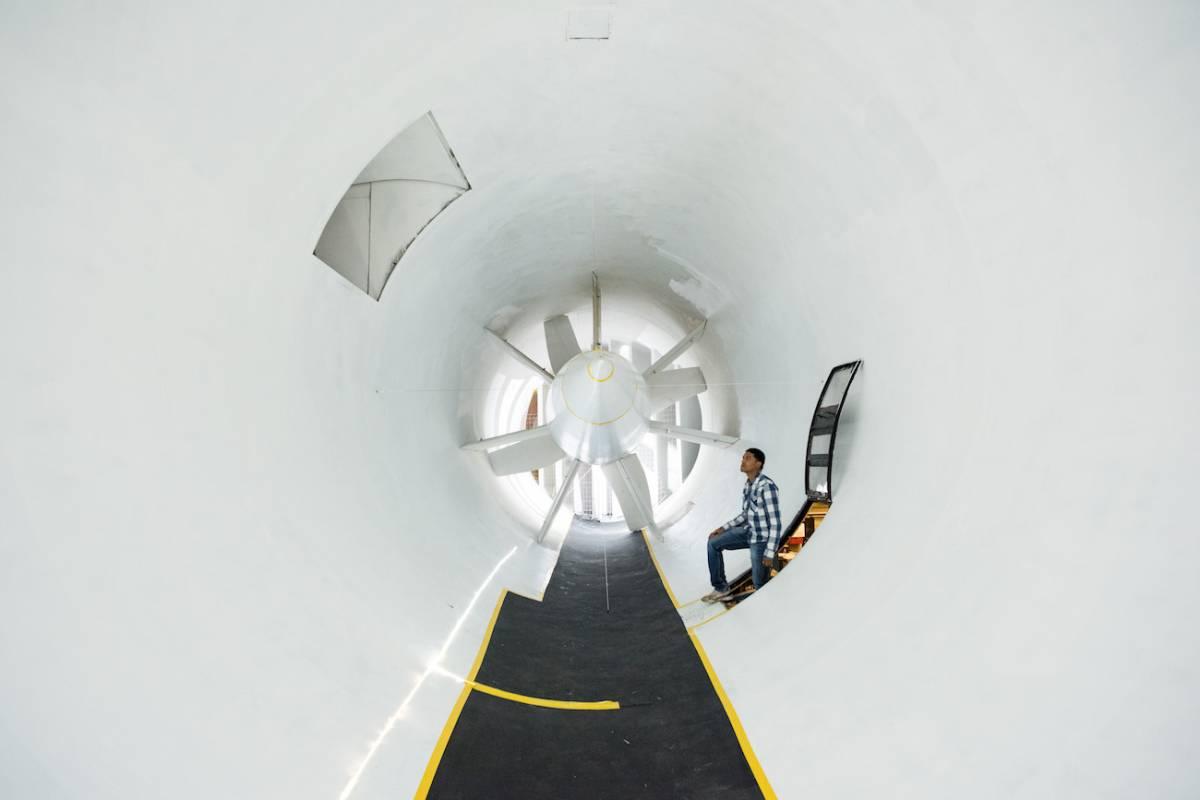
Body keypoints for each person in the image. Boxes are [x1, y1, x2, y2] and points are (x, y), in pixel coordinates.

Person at [702, 448, 782, 603]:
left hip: (762, 540)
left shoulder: (766, 487)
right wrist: (723, 528)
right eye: (743, 457)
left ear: (758, 464)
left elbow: (775, 522)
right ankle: (721, 589)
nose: (743, 460)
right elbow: (746, 514)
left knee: (760, 584)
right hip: (749, 532)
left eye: (748, 458)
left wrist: (769, 552)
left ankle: (772, 606)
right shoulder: (748, 485)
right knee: (713, 543)